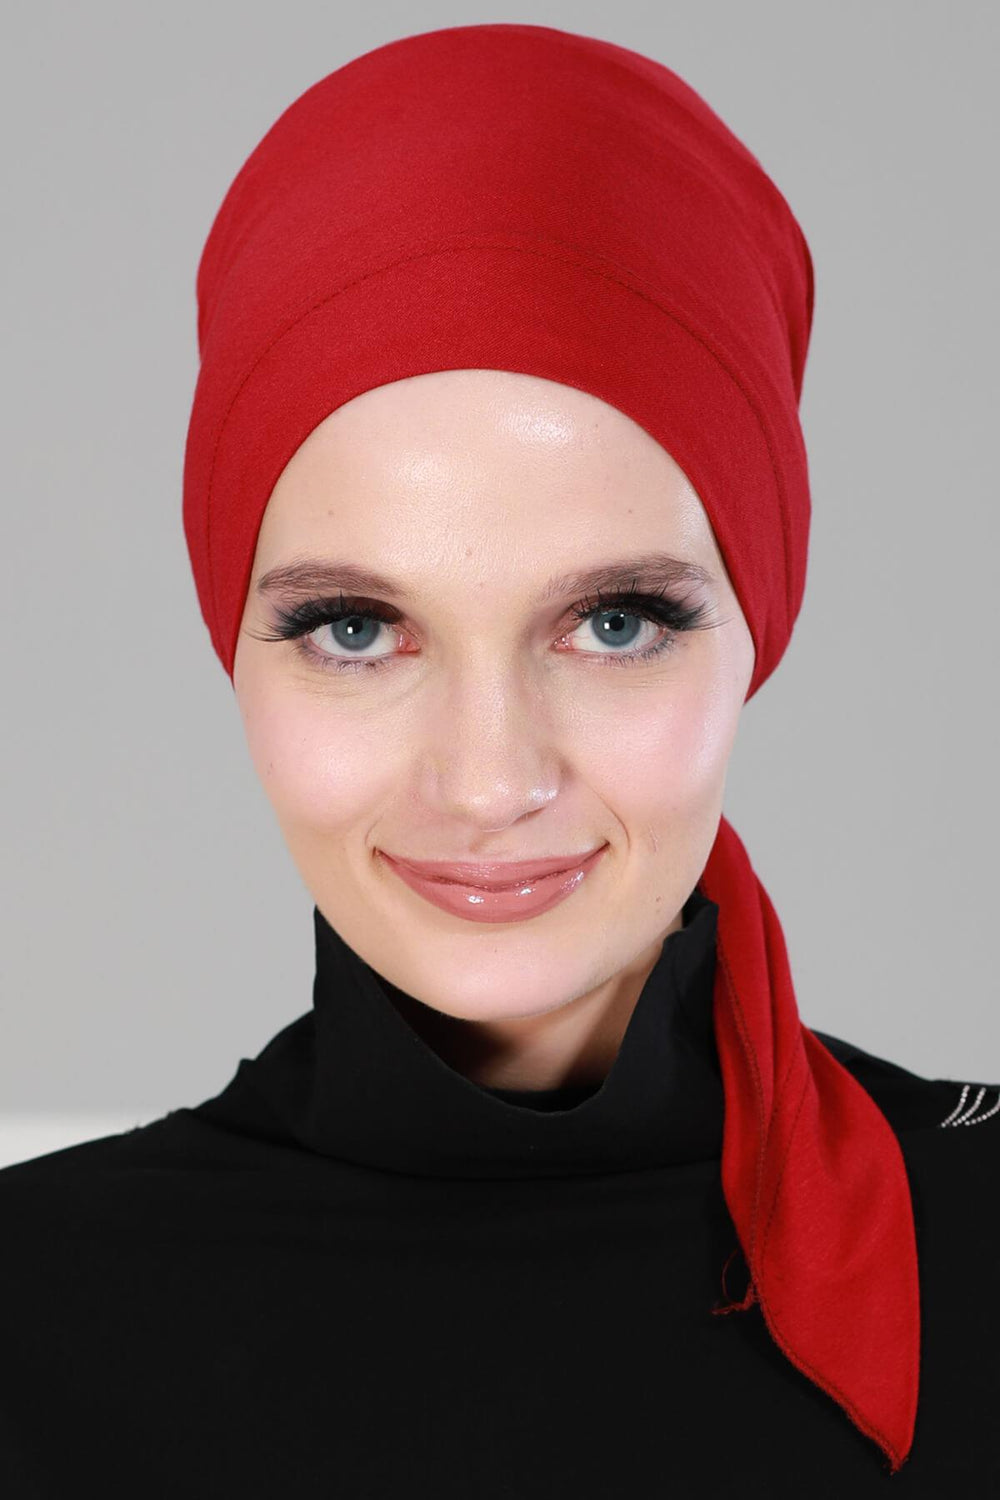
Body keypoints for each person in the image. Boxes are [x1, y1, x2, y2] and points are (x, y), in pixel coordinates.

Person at [2, 22, 998, 1496]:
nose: (486, 781)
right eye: (355, 629)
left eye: (614, 621)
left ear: (756, 631)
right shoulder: (31, 1315)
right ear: (236, 647)